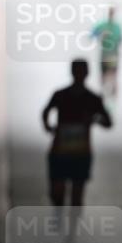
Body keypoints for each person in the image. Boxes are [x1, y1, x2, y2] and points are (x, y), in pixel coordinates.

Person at [42, 60, 112, 211]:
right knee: (57, 193)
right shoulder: (61, 95)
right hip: (61, 149)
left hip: (80, 152)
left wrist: (95, 119)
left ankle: (70, 230)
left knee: (76, 196)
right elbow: (46, 112)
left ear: (86, 73)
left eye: (82, 71)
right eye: (78, 71)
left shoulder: (92, 99)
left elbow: (108, 122)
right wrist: (48, 126)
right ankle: (61, 220)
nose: (80, 74)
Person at [91, 7, 122, 98]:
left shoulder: (106, 25)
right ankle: (110, 91)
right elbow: (121, 39)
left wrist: (99, 36)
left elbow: (92, 34)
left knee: (107, 73)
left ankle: (108, 90)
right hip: (111, 55)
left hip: (108, 55)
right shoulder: (115, 27)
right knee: (110, 73)